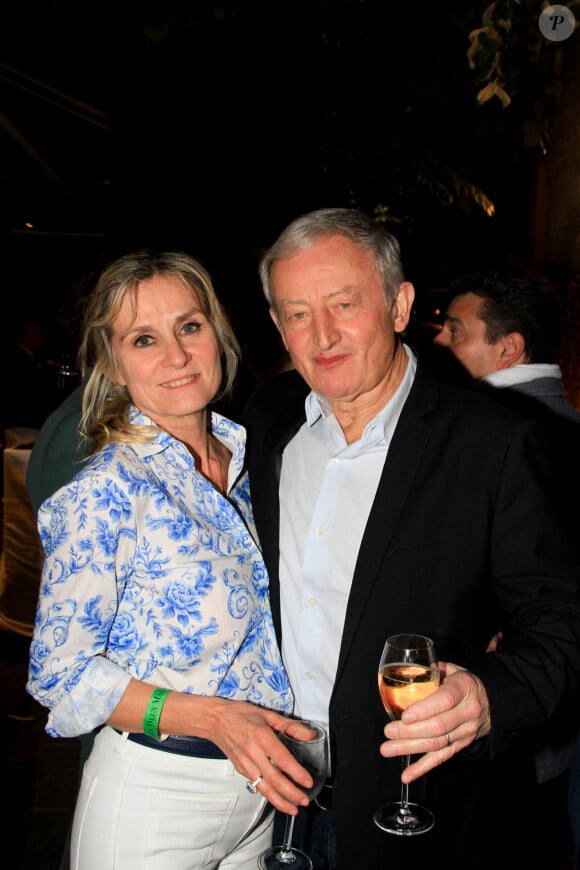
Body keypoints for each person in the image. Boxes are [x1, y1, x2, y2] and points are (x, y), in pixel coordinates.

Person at [242, 208, 580, 870]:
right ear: (279, 326)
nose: (324, 334)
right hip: (281, 804)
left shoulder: (493, 441)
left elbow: (563, 615)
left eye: (344, 303)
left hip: (424, 815)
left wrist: (491, 694)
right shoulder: (271, 417)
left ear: (399, 305)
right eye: (297, 313)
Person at [26, 249, 318, 870]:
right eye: (143, 339)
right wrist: (210, 718)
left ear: (219, 332)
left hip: (255, 796)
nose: (177, 356)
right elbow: (59, 676)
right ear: (113, 362)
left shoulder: (247, 467)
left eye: (190, 326)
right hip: (154, 797)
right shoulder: (106, 490)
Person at [433, 267, 580, 866]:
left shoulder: (493, 437)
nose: (440, 342)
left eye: (456, 331)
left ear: (509, 348)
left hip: (505, 727)